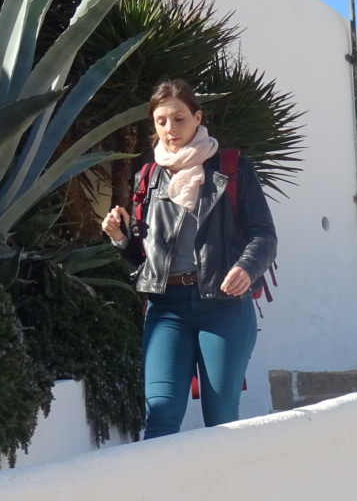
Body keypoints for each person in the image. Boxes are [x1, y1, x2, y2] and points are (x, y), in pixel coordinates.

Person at [102, 79, 277, 439]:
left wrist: (246, 267)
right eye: (161, 121)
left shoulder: (231, 168)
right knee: (160, 416)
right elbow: (144, 259)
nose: (171, 128)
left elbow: (264, 235)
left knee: (221, 418)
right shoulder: (148, 178)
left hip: (224, 305)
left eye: (179, 118)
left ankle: (224, 479)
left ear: (197, 117)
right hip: (166, 307)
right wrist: (119, 237)